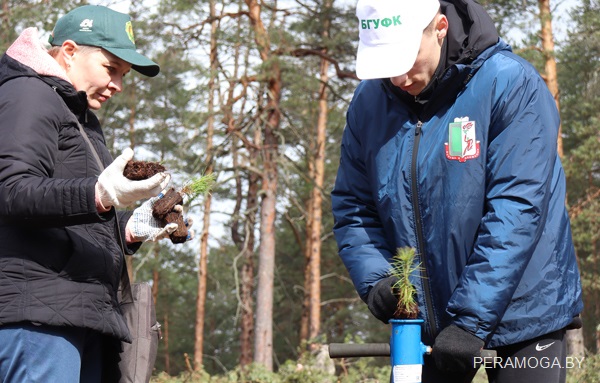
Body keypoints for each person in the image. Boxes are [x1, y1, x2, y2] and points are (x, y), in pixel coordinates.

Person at [331, 0, 583, 382]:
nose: (398, 78)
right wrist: (378, 280)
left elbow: (515, 209)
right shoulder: (369, 104)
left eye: (407, 57)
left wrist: (469, 321)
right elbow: (354, 205)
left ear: (440, 27)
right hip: (426, 324)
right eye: (385, 63)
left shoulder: (509, 83)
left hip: (526, 315)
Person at [0, 5, 192, 382]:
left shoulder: (80, 116)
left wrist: (130, 227)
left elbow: (75, 212)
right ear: (69, 51)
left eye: (123, 74)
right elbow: (11, 190)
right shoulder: (28, 94)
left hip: (78, 315)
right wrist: (101, 194)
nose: (118, 84)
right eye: (111, 68)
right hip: (37, 318)